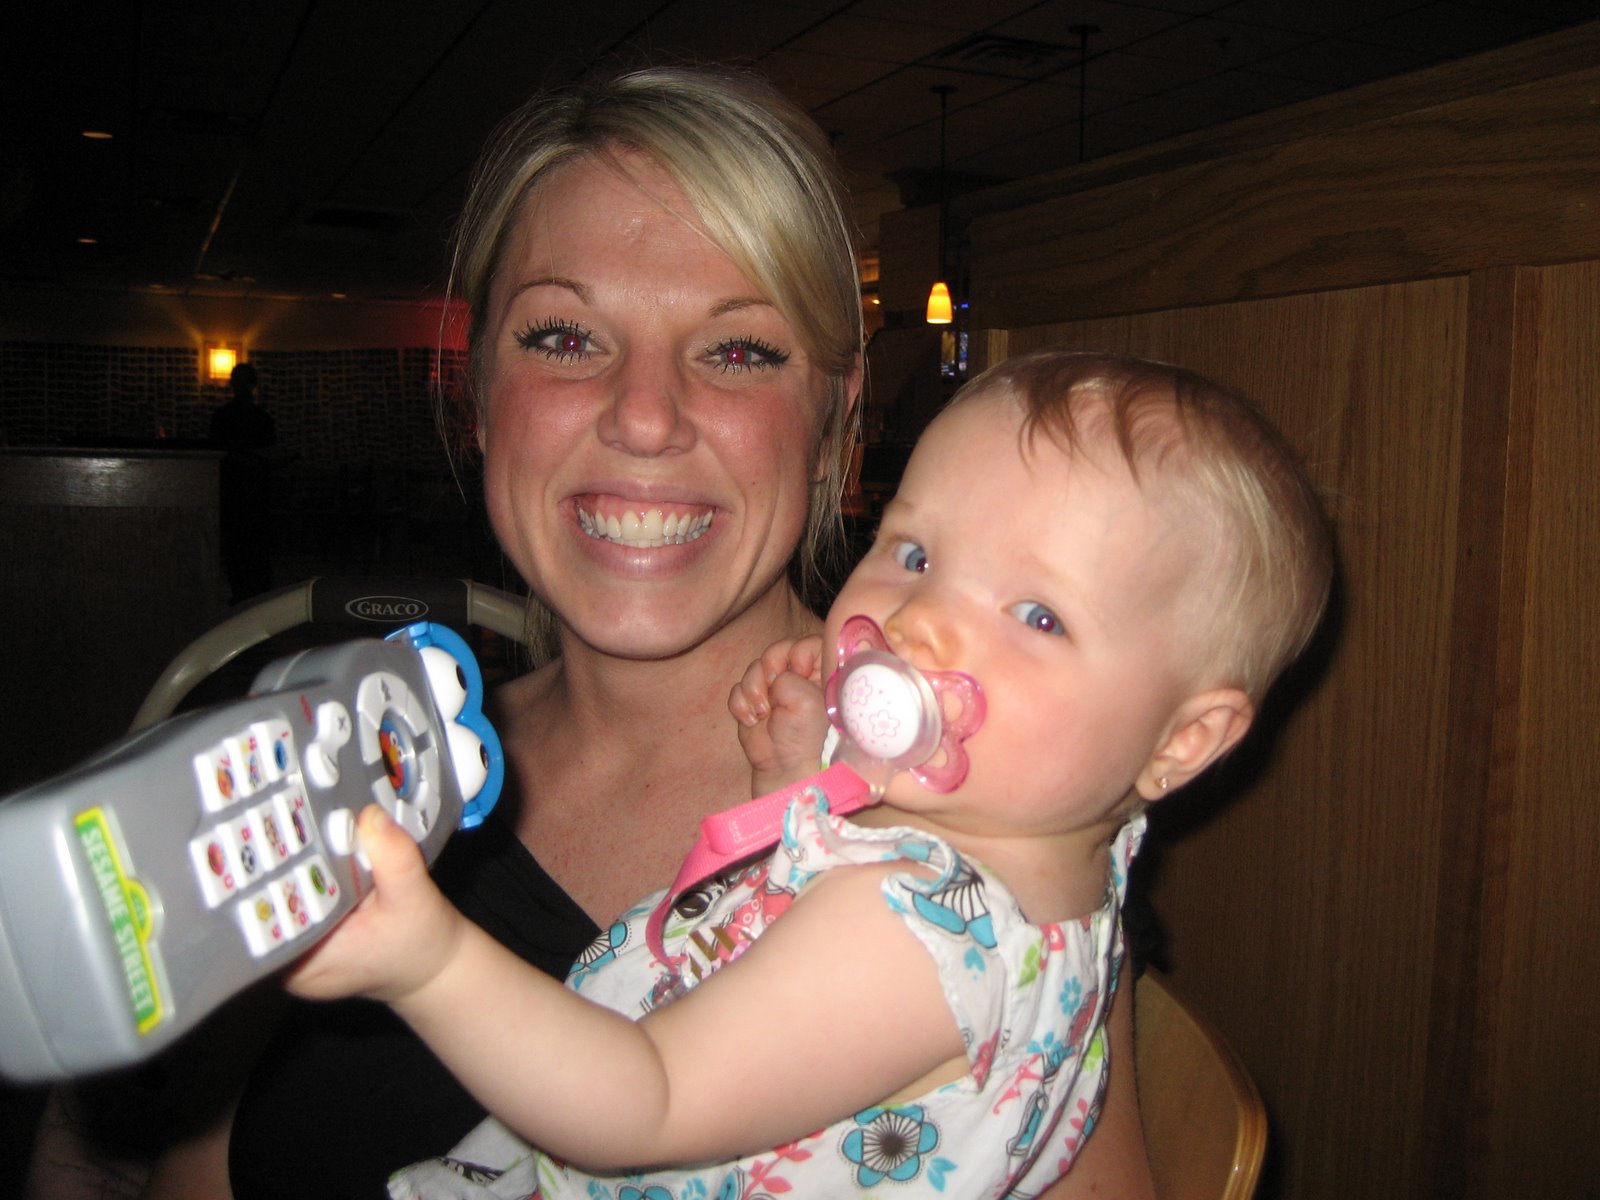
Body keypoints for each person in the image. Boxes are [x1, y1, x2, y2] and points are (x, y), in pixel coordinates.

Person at [29, 68, 1148, 1200]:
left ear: (834, 420)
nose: (645, 417)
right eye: (565, 337)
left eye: (739, 351)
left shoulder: (984, 824)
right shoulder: (350, 775)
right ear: (477, 395)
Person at [287, 348, 1335, 1198]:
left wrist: (426, 961)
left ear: (1183, 742)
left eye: (1037, 615)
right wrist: (800, 792)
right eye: (915, 555)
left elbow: (644, 1102)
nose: (919, 624)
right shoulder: (1065, 864)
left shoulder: (902, 936)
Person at [209, 361, 278, 603]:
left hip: (250, 489)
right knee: (239, 545)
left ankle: (251, 593)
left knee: (249, 545)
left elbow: (269, 450)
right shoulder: (239, 417)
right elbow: (217, 450)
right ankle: (247, 593)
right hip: (238, 488)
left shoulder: (256, 418)